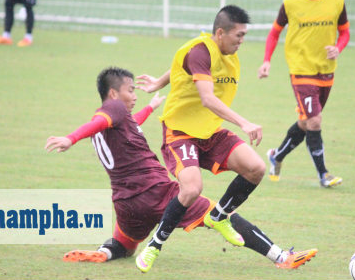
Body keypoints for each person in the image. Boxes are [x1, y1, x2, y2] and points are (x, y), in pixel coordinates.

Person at [45, 67, 317, 272]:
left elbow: (128, 124)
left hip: (125, 203)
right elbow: (97, 120)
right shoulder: (111, 110)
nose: (135, 97)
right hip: (156, 192)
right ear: (114, 93)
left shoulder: (117, 122)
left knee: (125, 246)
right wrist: (71, 138)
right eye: (131, 91)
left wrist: (151, 109)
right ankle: (282, 257)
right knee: (220, 215)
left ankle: (105, 252)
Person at [135, 5, 272, 272]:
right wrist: (244, 122)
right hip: (180, 133)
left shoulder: (227, 55)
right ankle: (154, 245)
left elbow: (181, 66)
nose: (242, 42)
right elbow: (207, 97)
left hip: (209, 132)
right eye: (239, 36)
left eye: (244, 36)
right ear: (220, 33)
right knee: (191, 188)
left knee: (256, 168)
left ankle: (219, 216)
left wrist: (158, 83)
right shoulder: (200, 50)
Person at [257, 0, 350, 188]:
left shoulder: (337, 2)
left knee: (306, 123)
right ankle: (323, 175)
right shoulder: (290, 5)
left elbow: (345, 32)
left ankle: (276, 156)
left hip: (326, 72)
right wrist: (267, 60)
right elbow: (274, 33)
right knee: (315, 121)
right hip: (300, 71)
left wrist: (338, 48)